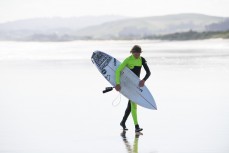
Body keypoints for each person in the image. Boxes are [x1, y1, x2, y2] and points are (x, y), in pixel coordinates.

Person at [115, 45, 151, 132]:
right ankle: (136, 127)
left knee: (130, 106)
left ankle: (123, 122)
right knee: (134, 105)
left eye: (138, 54)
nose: (137, 56)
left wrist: (143, 80)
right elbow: (118, 71)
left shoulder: (142, 60)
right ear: (132, 52)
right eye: (135, 54)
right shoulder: (128, 60)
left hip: (136, 85)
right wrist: (117, 83)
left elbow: (148, 72)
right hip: (128, 85)